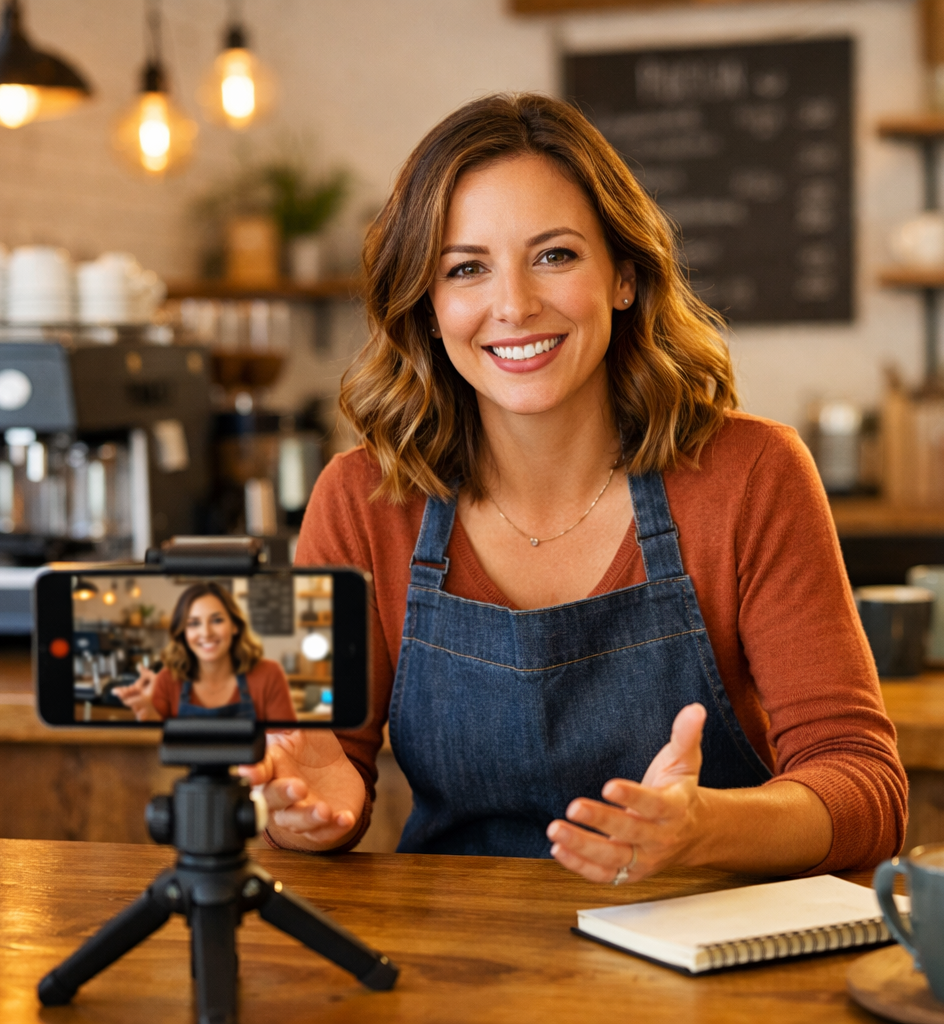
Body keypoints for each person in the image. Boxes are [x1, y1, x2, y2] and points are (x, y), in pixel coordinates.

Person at [240, 93, 907, 884]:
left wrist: (705, 829)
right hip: (458, 967)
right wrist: (307, 814)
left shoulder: (754, 474)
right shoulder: (356, 499)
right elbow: (321, 765)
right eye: (466, 268)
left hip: (711, 958)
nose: (515, 305)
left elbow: (866, 784)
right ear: (427, 302)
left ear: (623, 276)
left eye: (555, 255)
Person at [117, 581, 297, 722]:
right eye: (194, 623)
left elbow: (288, 746)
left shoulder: (268, 674)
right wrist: (148, 712)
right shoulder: (167, 680)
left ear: (234, 625)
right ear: (183, 632)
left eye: (217, 620)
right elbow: (157, 758)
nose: (206, 633)